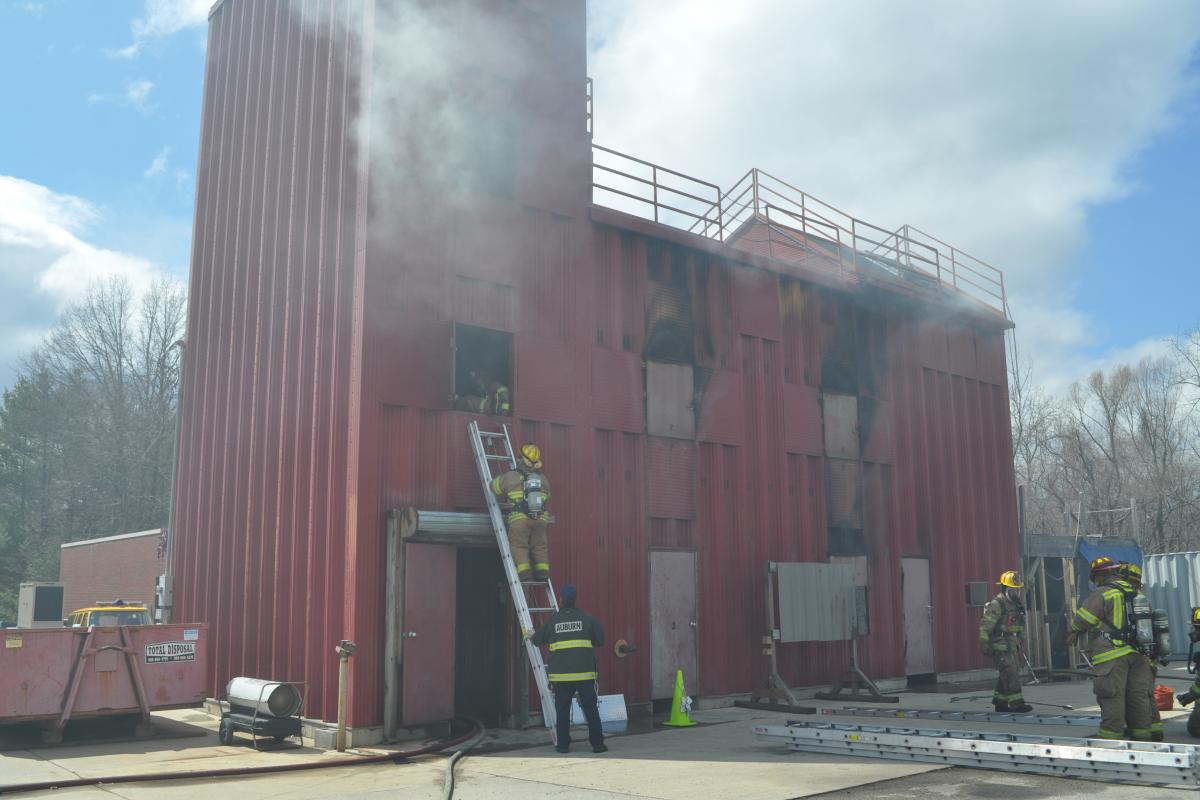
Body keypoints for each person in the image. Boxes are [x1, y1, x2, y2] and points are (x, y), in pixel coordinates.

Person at [1066, 556, 1154, 740]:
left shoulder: (1103, 592)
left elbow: (1085, 618)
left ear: (1098, 575)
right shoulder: (1136, 592)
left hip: (1112, 655)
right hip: (1139, 654)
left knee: (1111, 695)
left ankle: (1110, 736)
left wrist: (1074, 630)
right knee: (1137, 696)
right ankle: (1142, 735)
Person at [530, 584, 607, 754]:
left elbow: (536, 640)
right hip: (584, 675)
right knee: (591, 709)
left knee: (563, 711)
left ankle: (563, 745)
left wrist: (530, 633)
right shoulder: (587, 619)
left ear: (561, 600)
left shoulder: (553, 621)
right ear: (575, 599)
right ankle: (598, 745)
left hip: (561, 677)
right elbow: (601, 640)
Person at [491, 443, 552, 581]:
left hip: (519, 519)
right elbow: (548, 495)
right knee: (540, 545)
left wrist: (499, 480)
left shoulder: (511, 477)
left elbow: (494, 487)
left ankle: (524, 574)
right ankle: (543, 572)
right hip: (540, 518)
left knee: (519, 545)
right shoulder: (543, 479)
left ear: (520, 459)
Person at [979, 570, 1033, 713]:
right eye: (1014, 590)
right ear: (1006, 589)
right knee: (1011, 672)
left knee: (1007, 672)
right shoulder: (997, 604)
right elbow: (985, 626)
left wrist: (1021, 640)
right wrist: (984, 643)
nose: (1017, 592)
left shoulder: (1016, 605)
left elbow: (1020, 625)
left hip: (1012, 644)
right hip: (1000, 644)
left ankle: (1000, 703)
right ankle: (1017, 703)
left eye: (1018, 589)